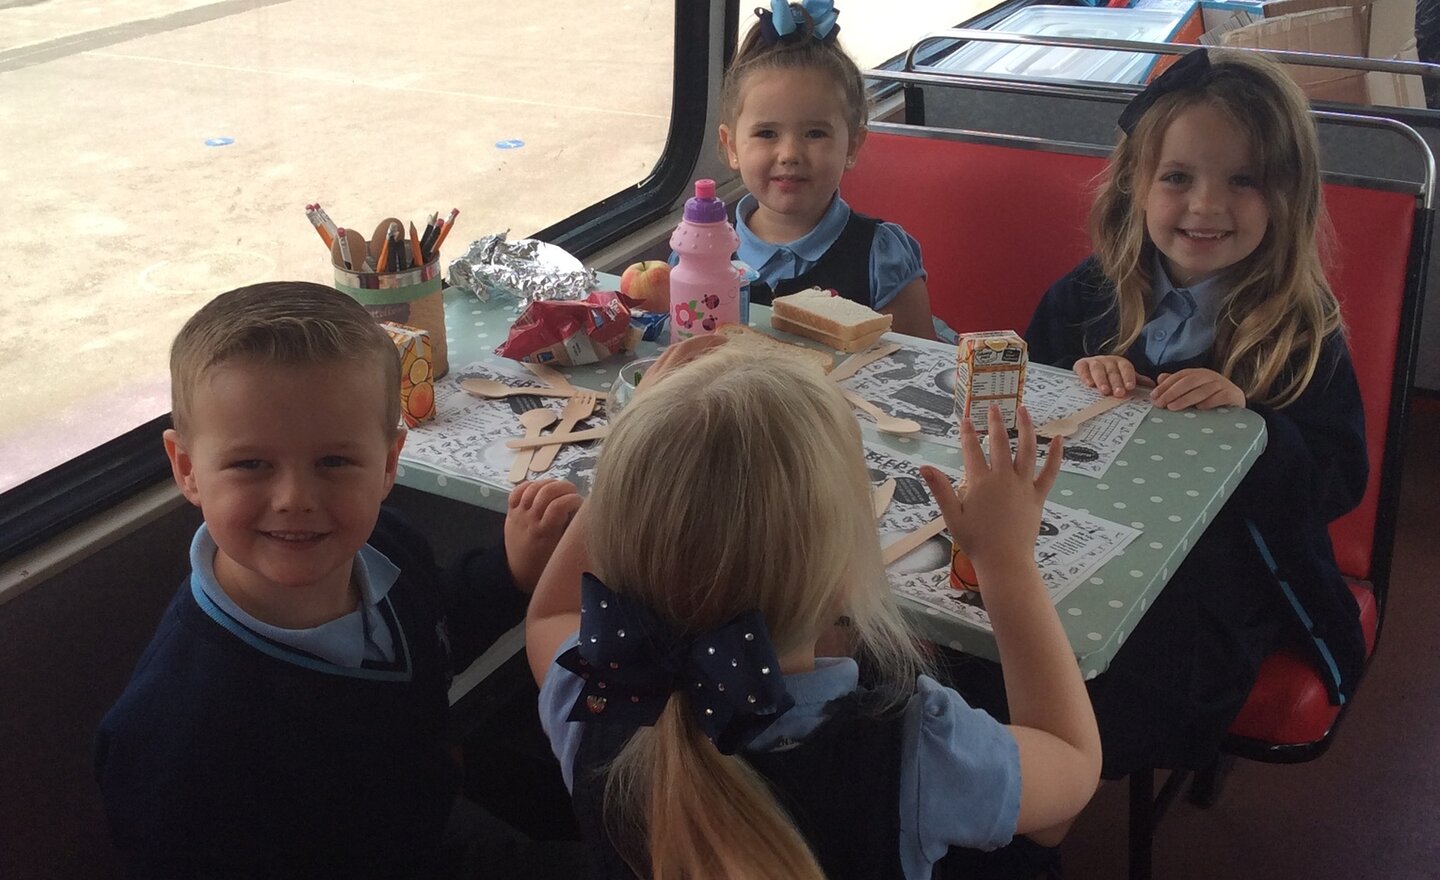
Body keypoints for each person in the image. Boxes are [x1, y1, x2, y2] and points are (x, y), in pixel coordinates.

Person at [525, 337, 1101, 880]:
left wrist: (643, 441)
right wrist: (1006, 562)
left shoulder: (594, 691)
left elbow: (548, 616)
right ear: (848, 579)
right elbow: (1071, 760)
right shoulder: (920, 750)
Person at [94, 281, 584, 878]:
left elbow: (436, 628)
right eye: (252, 464)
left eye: (334, 461)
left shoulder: (387, 544)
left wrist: (512, 575)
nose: (295, 499)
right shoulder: (176, 735)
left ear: (388, 464)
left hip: (421, 821)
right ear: (188, 470)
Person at [1025, 49, 1369, 778]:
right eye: (1177, 178)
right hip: (1083, 546)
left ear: (1287, 199)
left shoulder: (1301, 334)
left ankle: (1054, 787)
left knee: (1127, 694)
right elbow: (1025, 417)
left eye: (1243, 181)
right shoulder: (1082, 299)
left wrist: (1256, 427)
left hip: (1224, 575)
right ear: (1136, 187)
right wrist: (1075, 386)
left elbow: (1338, 483)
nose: (1206, 207)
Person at [717, 0, 941, 339]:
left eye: (815, 133)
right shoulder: (705, 253)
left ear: (852, 145)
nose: (789, 153)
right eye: (767, 133)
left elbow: (914, 376)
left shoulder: (879, 256)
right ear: (731, 145)